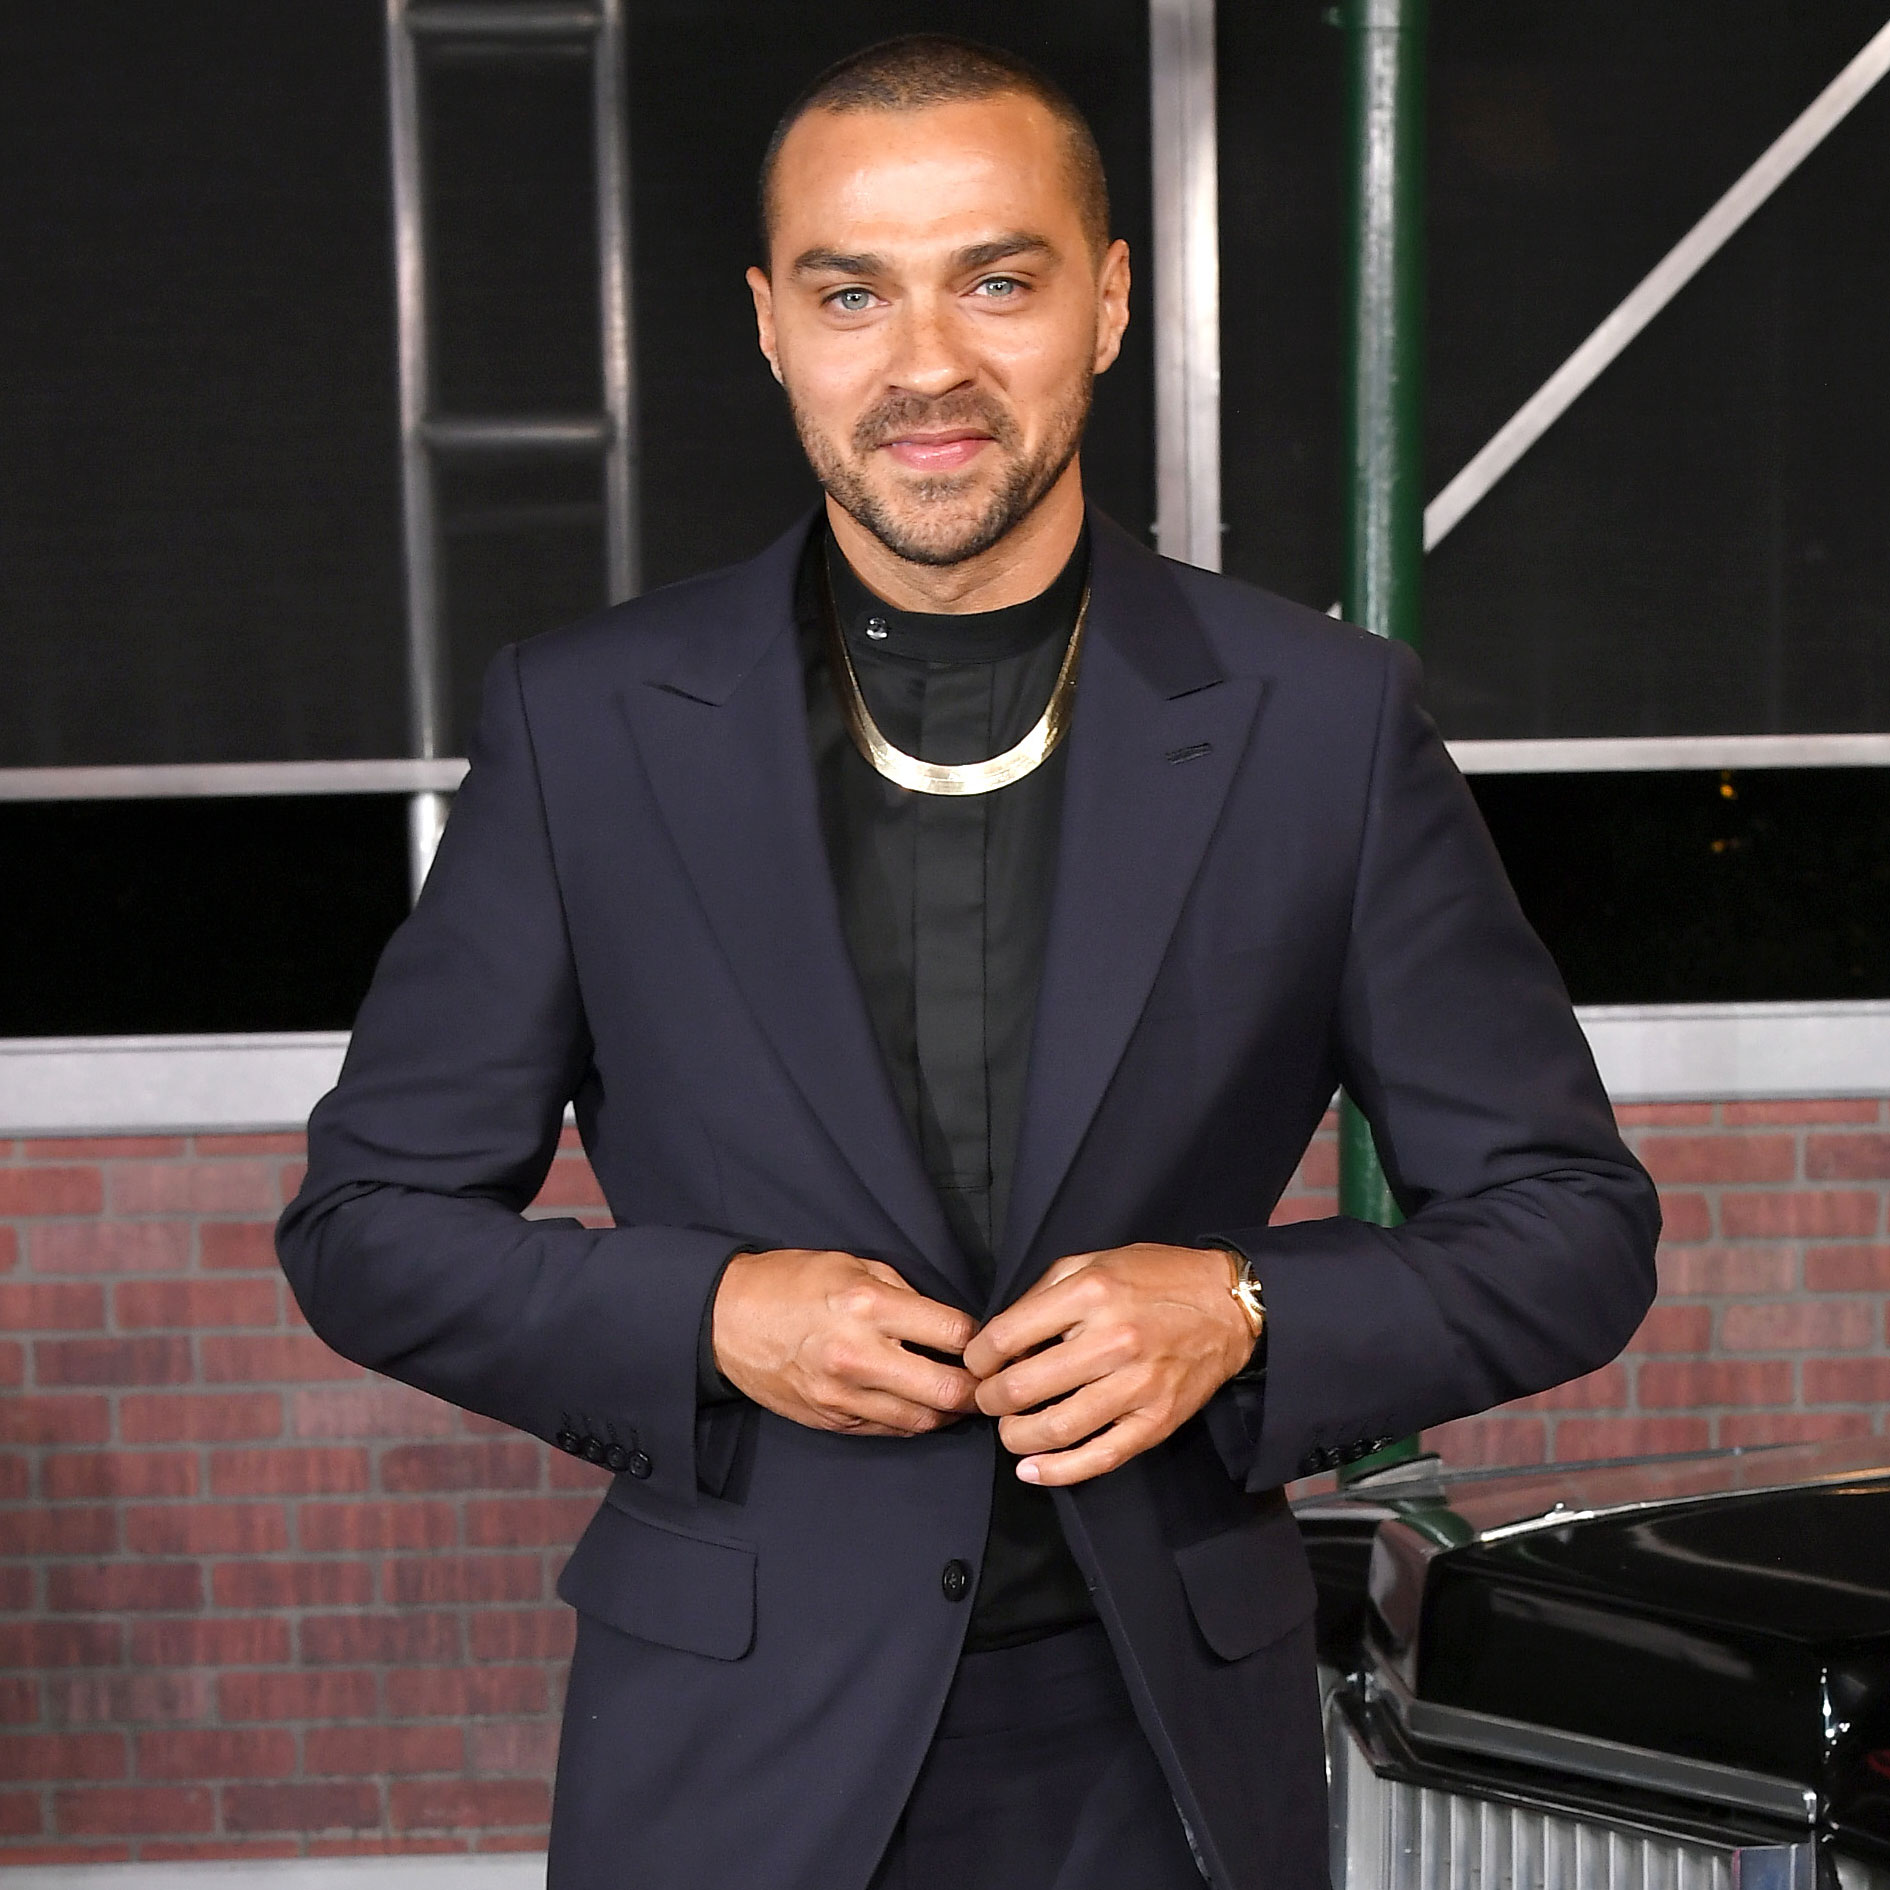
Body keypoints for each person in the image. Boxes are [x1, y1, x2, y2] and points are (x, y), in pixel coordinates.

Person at [277, 34, 1659, 1890]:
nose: (923, 363)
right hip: (731, 1754)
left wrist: (1247, 1305)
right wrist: (706, 1314)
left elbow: (1572, 1224)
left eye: (995, 281)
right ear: (771, 327)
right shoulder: (588, 723)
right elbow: (366, 1222)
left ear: (1107, 302)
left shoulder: (1318, 724)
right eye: (852, 294)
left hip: (1158, 1750)